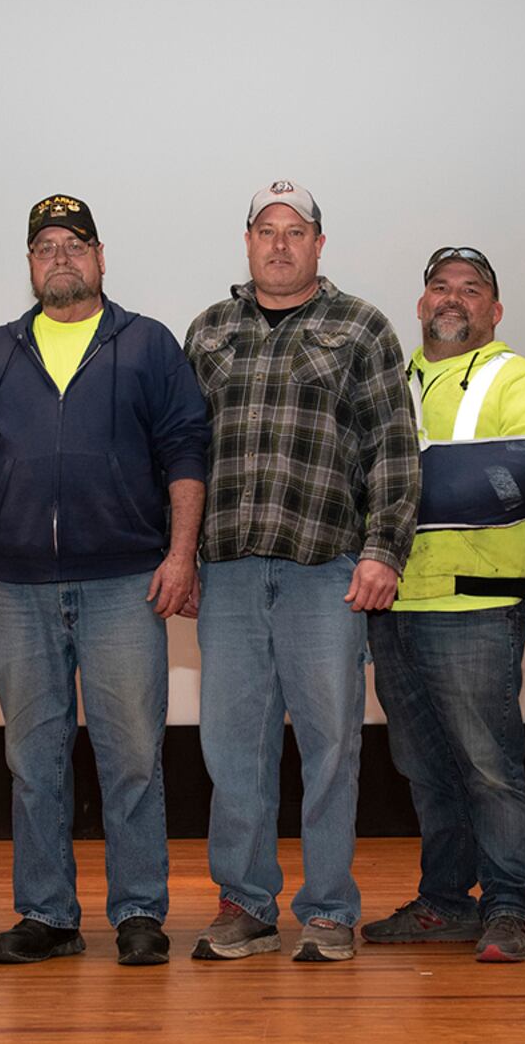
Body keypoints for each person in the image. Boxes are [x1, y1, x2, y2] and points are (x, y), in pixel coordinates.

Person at [0, 194, 210, 966]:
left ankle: (139, 912)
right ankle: (49, 914)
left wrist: (181, 555)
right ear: (29, 263)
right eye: (45, 244)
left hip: (126, 582)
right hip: (19, 590)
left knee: (132, 754)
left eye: (75, 243)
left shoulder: (147, 344)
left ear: (100, 257)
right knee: (34, 755)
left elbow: (187, 450)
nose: (61, 255)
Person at [185, 181, 419, 962]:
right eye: (265, 230)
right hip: (229, 573)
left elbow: (394, 448)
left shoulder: (362, 328)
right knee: (231, 747)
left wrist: (385, 549)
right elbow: (179, 458)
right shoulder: (210, 331)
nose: (280, 244)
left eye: (296, 231)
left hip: (327, 571)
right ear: (246, 241)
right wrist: (178, 552)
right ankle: (246, 902)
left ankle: (326, 910)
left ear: (320, 244)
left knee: (330, 747)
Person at [362, 247, 525, 962]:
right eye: (439, 287)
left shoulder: (518, 377)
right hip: (391, 604)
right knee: (424, 767)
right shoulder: (390, 379)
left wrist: (402, 492)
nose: (453, 299)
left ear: (494, 310)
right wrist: (443, 482)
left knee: (489, 766)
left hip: (476, 607)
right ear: (420, 305)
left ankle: (510, 906)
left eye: (471, 289)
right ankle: (445, 902)